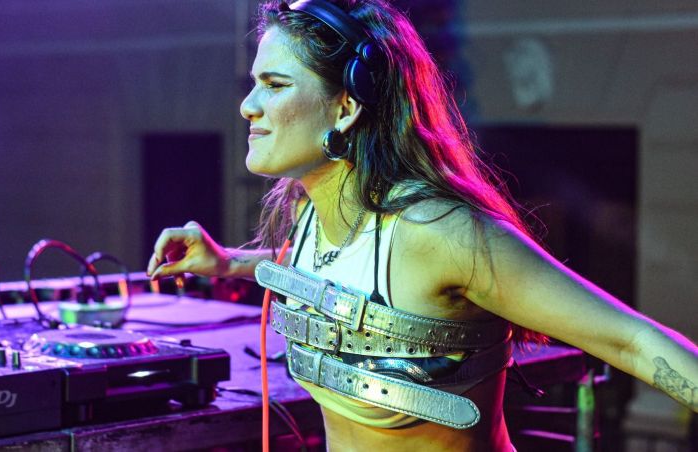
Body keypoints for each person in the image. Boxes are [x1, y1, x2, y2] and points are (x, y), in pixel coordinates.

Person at [147, 0, 698, 450]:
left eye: (274, 84)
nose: (248, 105)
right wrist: (230, 262)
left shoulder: (440, 232)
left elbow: (630, 340)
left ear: (345, 108)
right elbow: (338, 280)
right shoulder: (311, 212)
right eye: (254, 83)